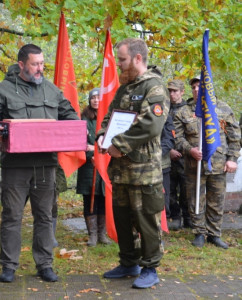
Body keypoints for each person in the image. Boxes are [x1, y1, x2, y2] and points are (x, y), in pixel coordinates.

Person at [0, 44, 79, 283]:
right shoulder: (4, 89)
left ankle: (44, 264)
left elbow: (70, 115)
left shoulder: (51, 89)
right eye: (35, 64)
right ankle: (9, 266)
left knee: (44, 216)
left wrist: (78, 131)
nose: (40, 68)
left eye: (42, 63)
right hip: (16, 165)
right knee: (12, 216)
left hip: (46, 164)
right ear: (22, 64)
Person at [96, 38, 168, 289]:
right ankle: (129, 262)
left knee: (146, 218)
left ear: (138, 58)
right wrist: (102, 137)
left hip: (143, 170)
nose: (120, 64)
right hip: (120, 170)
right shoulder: (124, 88)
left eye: (123, 59)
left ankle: (150, 266)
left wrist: (120, 145)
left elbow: (151, 124)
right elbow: (109, 116)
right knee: (123, 218)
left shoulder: (155, 86)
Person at [173, 76, 240, 249]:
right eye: (194, 87)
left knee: (216, 200)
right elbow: (178, 139)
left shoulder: (223, 109)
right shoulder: (184, 112)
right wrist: (190, 149)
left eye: (200, 86)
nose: (196, 90)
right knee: (195, 200)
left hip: (218, 164)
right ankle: (199, 233)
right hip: (194, 166)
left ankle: (214, 234)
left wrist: (232, 159)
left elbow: (234, 137)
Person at [76, 88, 111, 247]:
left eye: (98, 98)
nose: (96, 100)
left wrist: (96, 150)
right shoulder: (83, 118)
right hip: (88, 166)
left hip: (105, 164)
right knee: (89, 199)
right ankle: (92, 235)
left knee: (103, 198)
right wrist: (91, 154)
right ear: (90, 100)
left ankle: (102, 233)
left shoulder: (108, 118)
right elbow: (80, 143)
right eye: (93, 98)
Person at [167, 79, 191, 230]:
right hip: (167, 155)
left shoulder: (190, 110)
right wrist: (169, 151)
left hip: (186, 157)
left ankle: (188, 217)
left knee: (186, 189)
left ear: (182, 92)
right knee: (169, 189)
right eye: (170, 91)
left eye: (175, 91)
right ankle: (175, 217)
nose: (172, 94)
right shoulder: (163, 109)